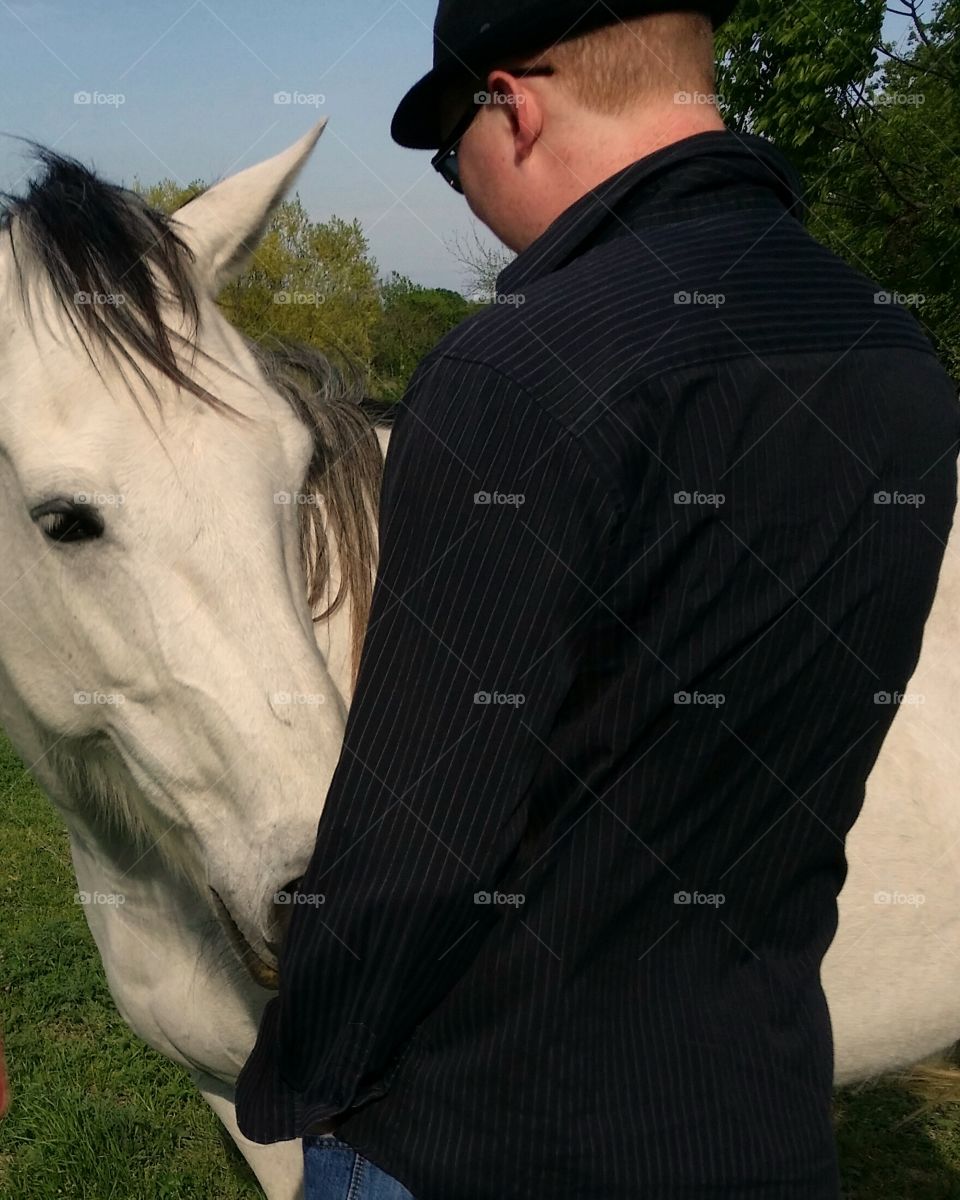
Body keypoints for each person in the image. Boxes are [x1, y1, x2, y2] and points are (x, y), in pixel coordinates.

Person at [236, 2, 960, 1197]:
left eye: (445, 145)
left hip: (491, 1136)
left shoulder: (516, 369)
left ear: (513, 105)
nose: (457, 185)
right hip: (759, 1109)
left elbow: (417, 833)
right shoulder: (888, 349)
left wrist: (307, 1073)